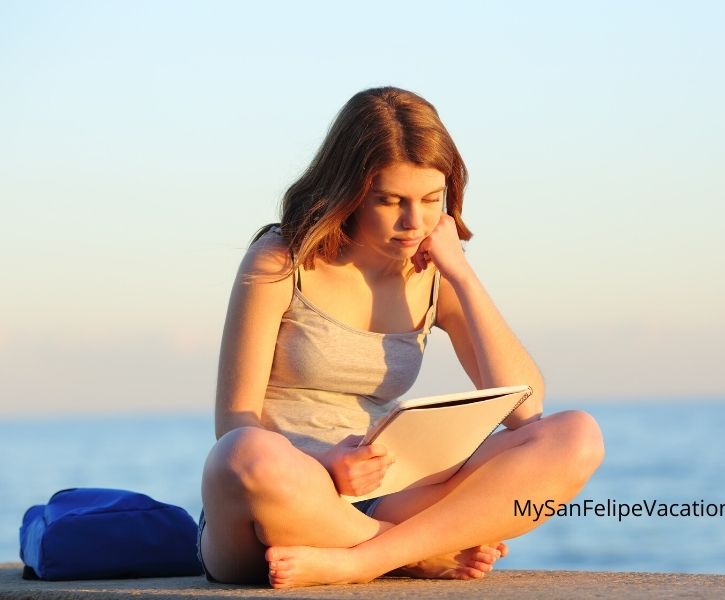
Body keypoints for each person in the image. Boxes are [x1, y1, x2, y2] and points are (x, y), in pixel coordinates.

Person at [199, 86, 604, 588]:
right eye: (391, 201)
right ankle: (414, 553)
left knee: (576, 435)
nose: (414, 222)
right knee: (241, 454)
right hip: (285, 496)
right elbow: (233, 420)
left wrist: (461, 273)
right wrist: (328, 461)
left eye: (431, 200)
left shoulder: (434, 275)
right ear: (347, 192)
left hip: (391, 490)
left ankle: (366, 559)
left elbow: (526, 410)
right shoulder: (282, 259)